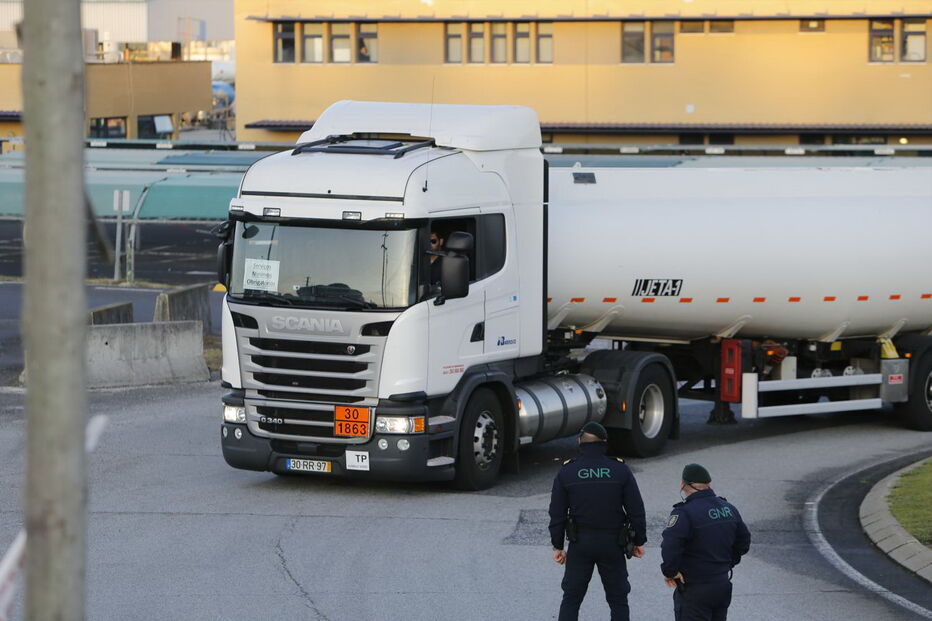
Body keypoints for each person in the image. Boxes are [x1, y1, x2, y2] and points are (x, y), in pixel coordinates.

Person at [548, 422, 647, 621]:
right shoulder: (619, 470)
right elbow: (636, 510)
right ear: (604, 443)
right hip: (613, 543)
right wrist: (639, 541)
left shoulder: (567, 472)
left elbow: (557, 513)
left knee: (572, 598)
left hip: (580, 543)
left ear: (579, 442)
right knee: (618, 599)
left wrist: (557, 545)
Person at [660, 463, 751, 621]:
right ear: (709, 485)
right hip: (722, 584)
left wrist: (670, 571)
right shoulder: (728, 508)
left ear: (682, 485)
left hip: (695, 588)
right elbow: (744, 541)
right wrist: (728, 563)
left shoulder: (684, 513)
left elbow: (670, 546)